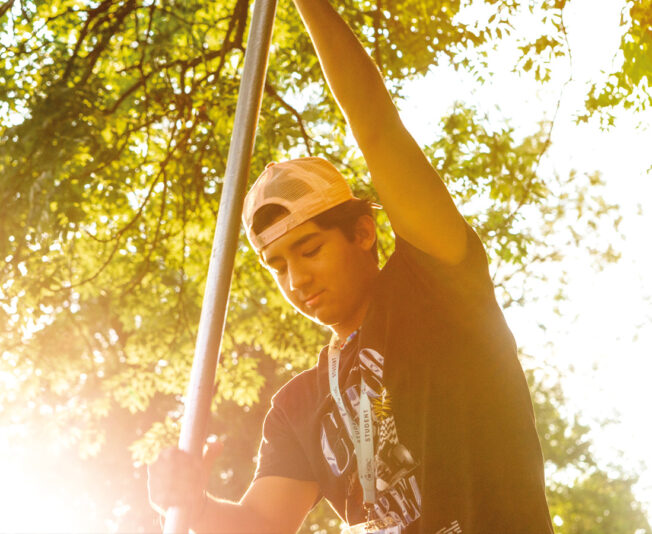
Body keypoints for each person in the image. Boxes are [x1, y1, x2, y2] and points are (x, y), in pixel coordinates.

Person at [147, 0, 555, 532]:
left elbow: (376, 127)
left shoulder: (437, 289)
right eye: (277, 264)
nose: (297, 280)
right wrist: (192, 507)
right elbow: (259, 524)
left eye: (310, 249)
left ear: (364, 233)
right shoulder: (297, 406)